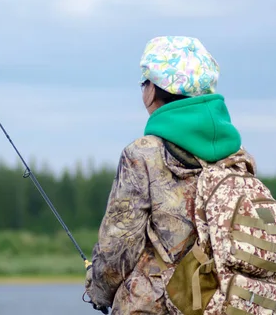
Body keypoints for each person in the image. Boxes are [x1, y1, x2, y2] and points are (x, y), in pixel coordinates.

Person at [84, 36, 246, 314]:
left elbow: (118, 249)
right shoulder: (238, 157)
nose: (142, 92)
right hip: (227, 305)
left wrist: (97, 290)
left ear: (152, 91)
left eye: (143, 83)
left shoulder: (142, 154)